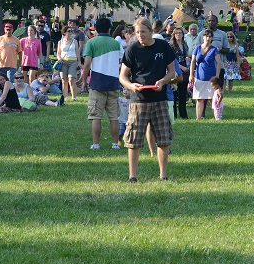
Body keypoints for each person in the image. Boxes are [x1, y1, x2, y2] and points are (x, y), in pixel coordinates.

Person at [118, 17, 178, 183]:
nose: (140, 35)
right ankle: (132, 176)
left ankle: (163, 175)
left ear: (151, 31)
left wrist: (163, 81)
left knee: (163, 139)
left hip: (159, 99)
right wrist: (131, 86)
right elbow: (122, 76)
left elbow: (172, 71)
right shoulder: (132, 49)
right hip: (138, 100)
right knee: (133, 140)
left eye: (143, 32)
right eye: (137, 32)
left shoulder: (163, 46)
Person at [83, 17, 123, 150]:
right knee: (114, 116)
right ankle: (115, 143)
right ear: (109, 28)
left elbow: (87, 63)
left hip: (97, 83)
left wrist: (83, 80)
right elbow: (120, 62)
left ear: (95, 29)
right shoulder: (116, 43)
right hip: (113, 83)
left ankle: (96, 144)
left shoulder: (91, 42)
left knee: (96, 116)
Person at [190, 30, 222, 120]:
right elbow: (193, 61)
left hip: (211, 78)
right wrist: (191, 75)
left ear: (212, 38)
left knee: (213, 98)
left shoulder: (214, 49)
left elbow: (218, 63)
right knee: (199, 99)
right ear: (203, 37)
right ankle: (198, 118)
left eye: (210, 36)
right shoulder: (197, 48)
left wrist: (217, 76)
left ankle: (217, 116)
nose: (208, 38)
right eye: (206, 36)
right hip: (199, 76)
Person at [56, 26, 82, 101]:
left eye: (71, 31)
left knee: (71, 79)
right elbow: (58, 53)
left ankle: (74, 97)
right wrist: (59, 58)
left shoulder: (74, 41)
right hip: (63, 61)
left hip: (73, 61)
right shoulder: (60, 42)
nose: (70, 33)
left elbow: (77, 51)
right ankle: (65, 97)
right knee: (64, 80)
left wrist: (79, 61)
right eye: (68, 31)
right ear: (64, 33)